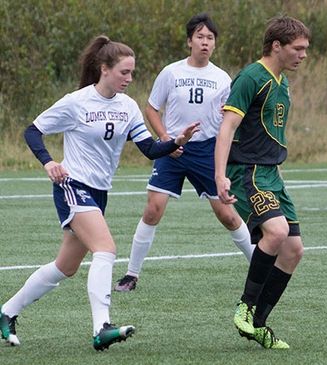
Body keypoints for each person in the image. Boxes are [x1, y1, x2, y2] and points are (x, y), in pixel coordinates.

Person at [0, 35, 199, 351]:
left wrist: (177, 141)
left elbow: (148, 149)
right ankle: (101, 327)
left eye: (132, 73)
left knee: (65, 267)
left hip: (99, 192)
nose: (129, 79)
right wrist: (49, 161)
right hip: (72, 186)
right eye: (124, 72)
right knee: (105, 248)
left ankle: (7, 311)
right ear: (104, 69)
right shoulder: (76, 101)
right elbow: (32, 131)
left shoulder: (128, 106)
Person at [114, 13, 254, 293]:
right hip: (174, 149)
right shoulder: (171, 72)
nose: (205, 42)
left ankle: (260, 268)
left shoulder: (222, 78)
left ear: (215, 45)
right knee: (153, 209)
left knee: (227, 214)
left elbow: (229, 119)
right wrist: (167, 140)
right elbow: (152, 109)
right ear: (189, 41)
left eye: (210, 38)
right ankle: (131, 274)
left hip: (207, 151)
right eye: (200, 37)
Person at [215, 16, 310, 349]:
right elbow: (226, 128)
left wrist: (279, 173)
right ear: (277, 45)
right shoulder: (251, 77)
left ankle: (258, 324)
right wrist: (219, 174)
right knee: (277, 232)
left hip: (271, 173)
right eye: (298, 48)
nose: (303, 55)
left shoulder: (282, 81)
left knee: (294, 251)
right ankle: (245, 305)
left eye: (305, 49)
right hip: (249, 172)